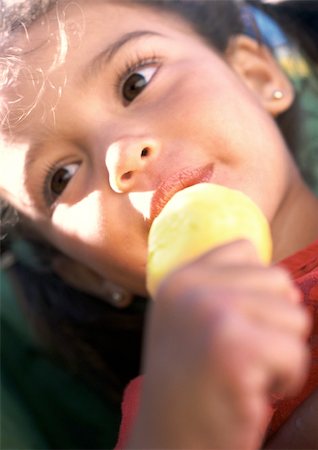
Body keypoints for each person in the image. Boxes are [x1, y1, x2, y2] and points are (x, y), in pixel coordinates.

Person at [0, 0, 317, 449]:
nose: (120, 154)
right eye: (61, 177)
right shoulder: (170, 404)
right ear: (90, 274)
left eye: (136, 83)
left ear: (257, 78)